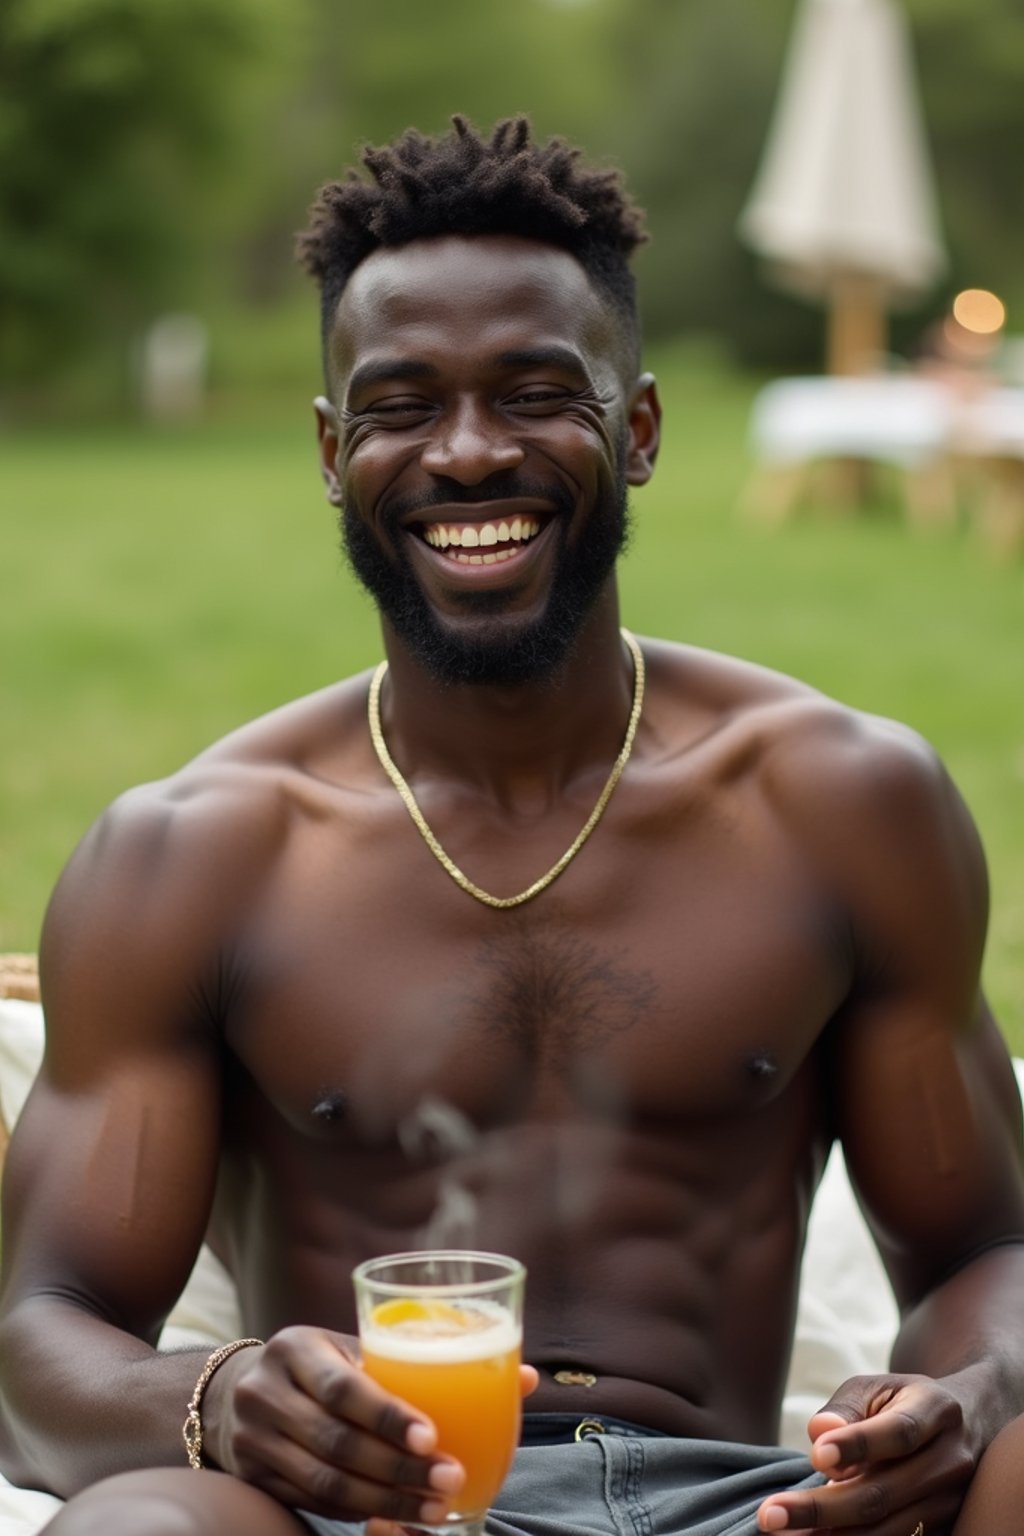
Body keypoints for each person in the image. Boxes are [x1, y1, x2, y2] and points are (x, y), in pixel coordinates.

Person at [1, 115, 1023, 1536]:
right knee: (135, 1528)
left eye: (537, 392)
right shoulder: (194, 854)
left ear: (640, 428)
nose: (469, 455)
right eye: (402, 405)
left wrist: (968, 1393)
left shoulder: (844, 802)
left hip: (761, 1508)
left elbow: (989, 1249)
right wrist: (216, 1395)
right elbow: (42, 1340)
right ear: (330, 449)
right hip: (365, 1517)